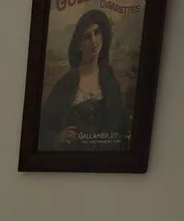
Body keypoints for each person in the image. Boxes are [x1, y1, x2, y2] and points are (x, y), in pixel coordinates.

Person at [38, 9, 129, 152]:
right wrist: (58, 137)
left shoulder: (111, 83)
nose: (93, 40)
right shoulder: (66, 83)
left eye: (97, 32)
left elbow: (121, 130)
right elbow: (43, 128)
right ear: (79, 44)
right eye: (87, 36)